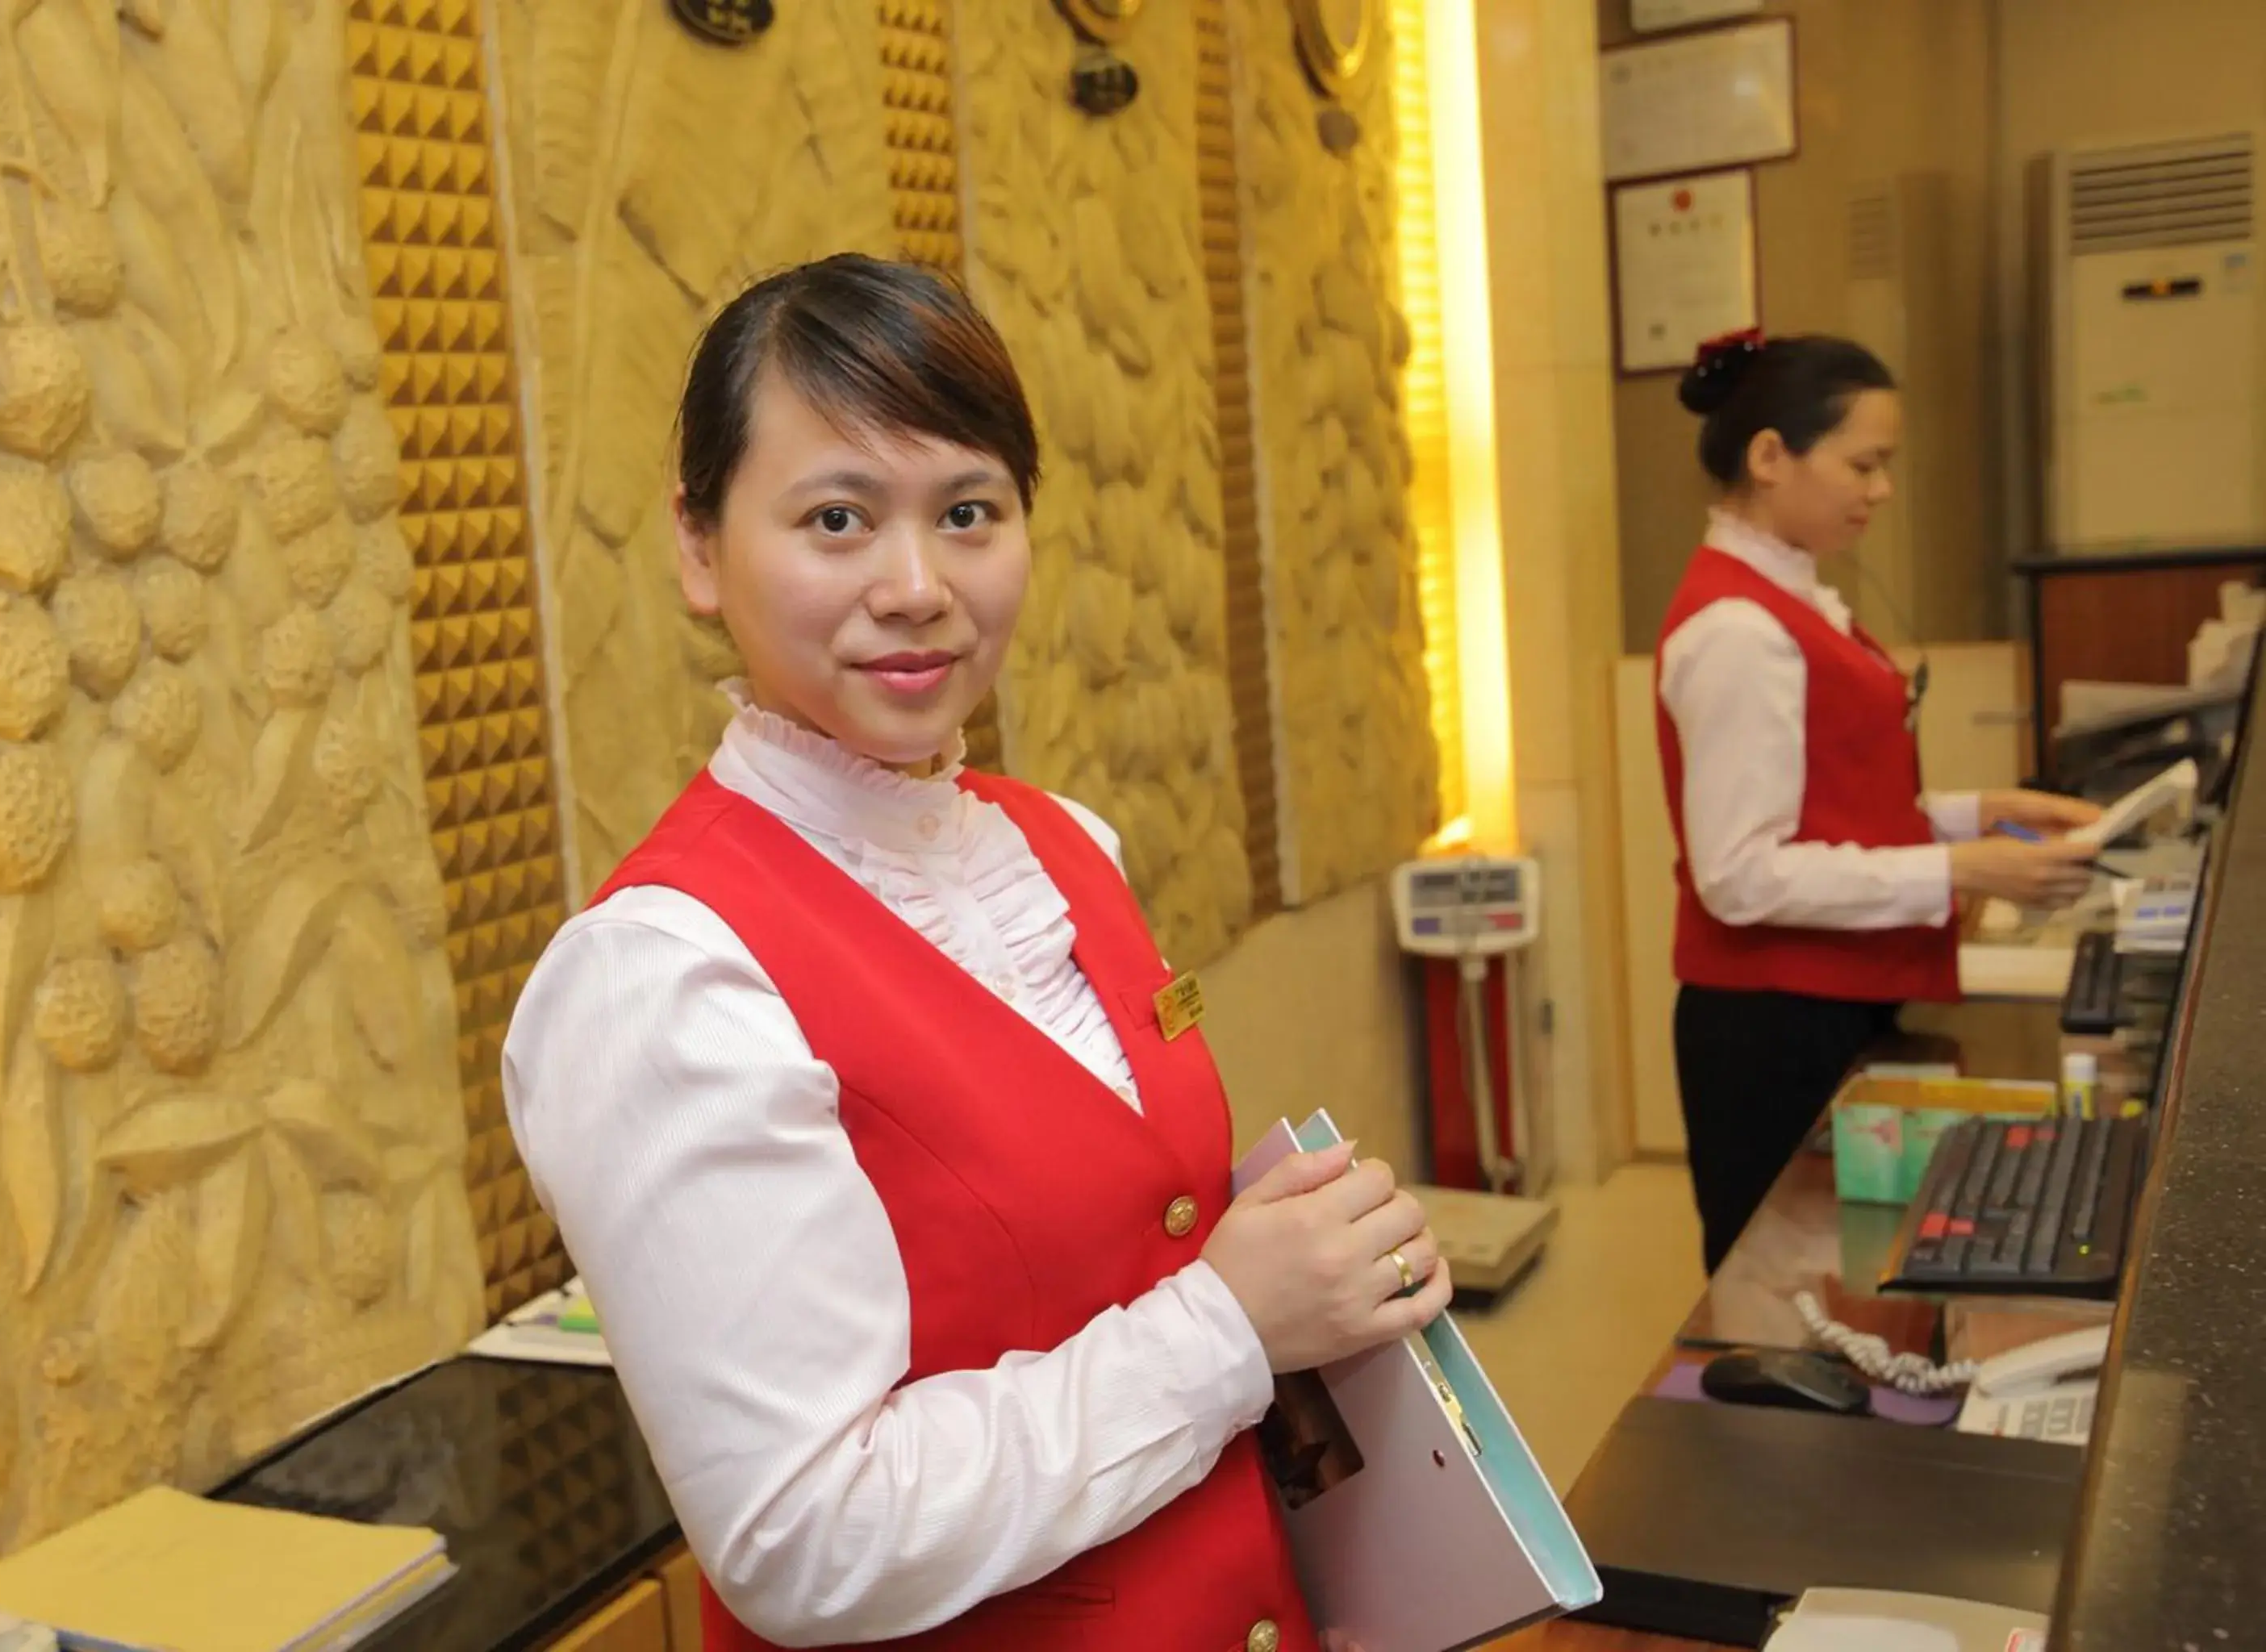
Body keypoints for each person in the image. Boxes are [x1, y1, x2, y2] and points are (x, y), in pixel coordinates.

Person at [503, 254, 1446, 1650]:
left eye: (968, 512)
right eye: (837, 518)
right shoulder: (663, 974)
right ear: (699, 547)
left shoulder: (1064, 844)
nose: (918, 586)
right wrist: (1231, 1325)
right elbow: (803, 1536)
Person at [1657, 330, 2101, 1274]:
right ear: (1771, 455)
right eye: (1863, 463)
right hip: (1773, 1022)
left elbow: (1833, 799)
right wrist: (1961, 866)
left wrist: (1981, 811)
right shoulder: (1739, 629)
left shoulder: (1796, 598)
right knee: (1787, 1294)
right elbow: (1740, 874)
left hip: (1824, 998)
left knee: (1859, 1269)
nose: (1881, 489)